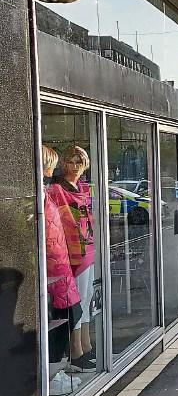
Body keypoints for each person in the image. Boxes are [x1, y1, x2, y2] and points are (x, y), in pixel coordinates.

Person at [48, 145, 96, 374]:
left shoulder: (83, 187)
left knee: (86, 299)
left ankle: (85, 344)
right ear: (64, 163)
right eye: (72, 161)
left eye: (80, 162)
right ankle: (76, 349)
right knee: (75, 302)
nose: (76, 166)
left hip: (87, 248)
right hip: (70, 252)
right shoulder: (57, 190)